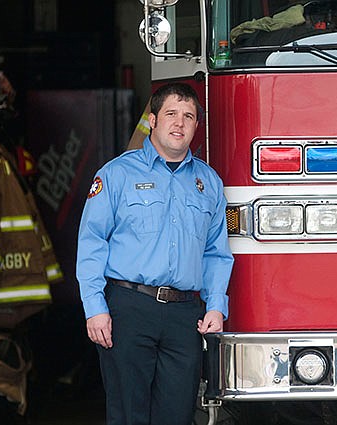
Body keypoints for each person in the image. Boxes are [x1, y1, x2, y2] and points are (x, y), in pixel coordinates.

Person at [76, 82, 234, 425]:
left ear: (196, 127)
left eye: (189, 116)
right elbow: (91, 242)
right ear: (153, 120)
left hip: (185, 315)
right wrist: (94, 308)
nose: (179, 124)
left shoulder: (209, 183)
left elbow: (216, 253)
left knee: (177, 415)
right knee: (129, 414)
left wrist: (217, 306)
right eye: (171, 114)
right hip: (129, 309)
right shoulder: (116, 174)